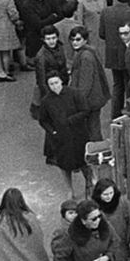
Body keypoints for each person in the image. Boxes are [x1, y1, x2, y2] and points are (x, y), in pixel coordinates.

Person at [38, 72, 92, 200]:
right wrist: (53, 132)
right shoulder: (46, 101)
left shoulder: (74, 93)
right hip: (61, 138)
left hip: (78, 134)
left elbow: (85, 110)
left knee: (84, 162)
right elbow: (43, 120)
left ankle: (89, 186)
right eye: (51, 84)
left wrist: (70, 120)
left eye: (56, 83)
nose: (54, 86)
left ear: (61, 81)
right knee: (64, 165)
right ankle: (70, 190)